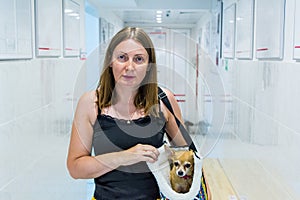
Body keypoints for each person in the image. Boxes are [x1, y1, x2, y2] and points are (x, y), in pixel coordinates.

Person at [67, 27, 207, 199]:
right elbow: (75, 168)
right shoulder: (90, 104)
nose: (130, 67)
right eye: (122, 58)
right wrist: (124, 157)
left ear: (149, 66)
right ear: (111, 61)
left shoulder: (164, 101)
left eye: (139, 59)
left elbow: (188, 155)